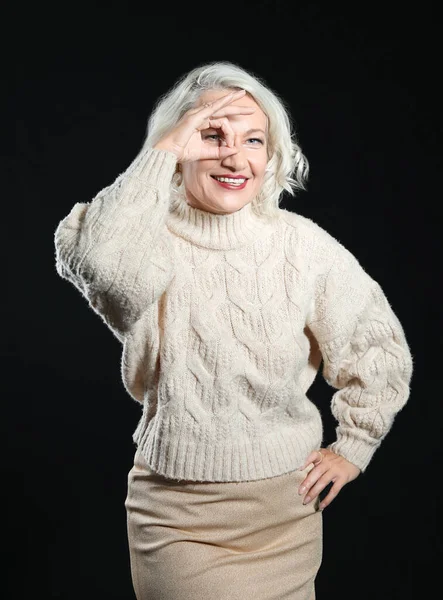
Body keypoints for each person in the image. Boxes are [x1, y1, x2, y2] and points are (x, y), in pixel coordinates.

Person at [53, 61, 414, 600]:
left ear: (271, 157)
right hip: (179, 515)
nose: (234, 155)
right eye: (211, 134)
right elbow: (107, 270)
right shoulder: (142, 239)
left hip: (284, 512)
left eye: (253, 139)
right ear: (177, 143)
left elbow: (376, 348)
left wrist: (356, 444)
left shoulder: (302, 246)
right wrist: (163, 152)